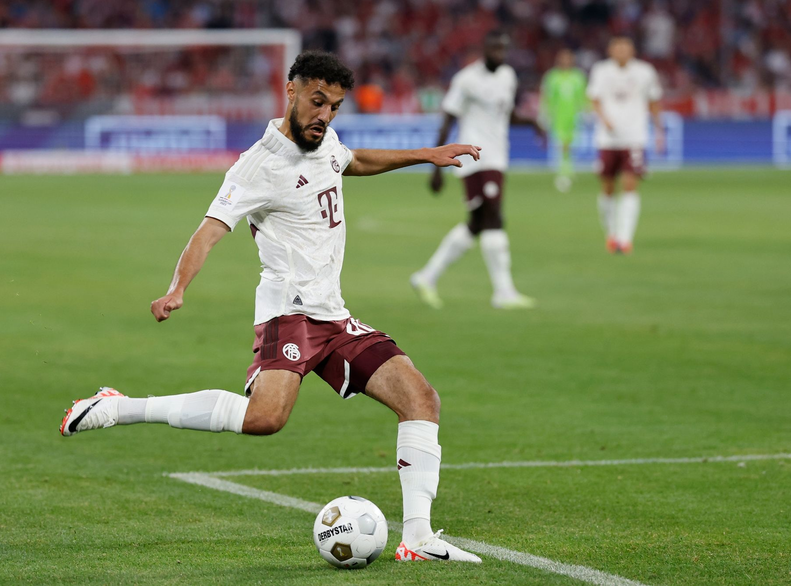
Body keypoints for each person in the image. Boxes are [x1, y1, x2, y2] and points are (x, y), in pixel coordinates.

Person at [60, 51, 482, 564]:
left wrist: (426, 154)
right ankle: (116, 407)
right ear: (291, 92)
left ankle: (417, 538)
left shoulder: (325, 143)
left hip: (333, 313)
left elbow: (354, 162)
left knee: (421, 399)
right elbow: (209, 231)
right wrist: (177, 288)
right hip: (290, 313)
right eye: (317, 101)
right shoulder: (259, 164)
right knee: (265, 419)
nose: (325, 115)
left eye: (335, 106)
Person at [410, 30, 545, 310]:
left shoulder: (508, 76)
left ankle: (426, 276)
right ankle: (503, 292)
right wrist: (434, 166)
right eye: (495, 48)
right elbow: (448, 119)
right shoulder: (466, 80)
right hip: (475, 157)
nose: (499, 54)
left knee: (476, 223)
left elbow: (505, 114)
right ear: (484, 49)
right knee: (494, 216)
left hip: (497, 155)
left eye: (503, 49)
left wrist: (532, 123)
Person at [587, 36, 664, 254]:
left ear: (632, 50)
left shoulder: (645, 72)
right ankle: (611, 233)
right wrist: (605, 119)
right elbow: (594, 99)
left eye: (625, 47)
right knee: (608, 187)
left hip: (634, 137)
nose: (621, 51)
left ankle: (625, 238)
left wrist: (659, 130)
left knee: (630, 184)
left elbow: (654, 100)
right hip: (607, 139)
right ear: (610, 50)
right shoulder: (601, 71)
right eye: (617, 47)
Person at [540, 48, 587, 192]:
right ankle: (563, 172)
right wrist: (545, 114)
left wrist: (586, 111)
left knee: (571, 146)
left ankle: (569, 170)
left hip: (574, 117)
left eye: (568, 58)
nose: (566, 61)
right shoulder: (552, 77)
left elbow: (583, 96)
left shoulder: (578, 77)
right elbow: (547, 97)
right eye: (563, 58)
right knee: (561, 146)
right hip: (558, 116)